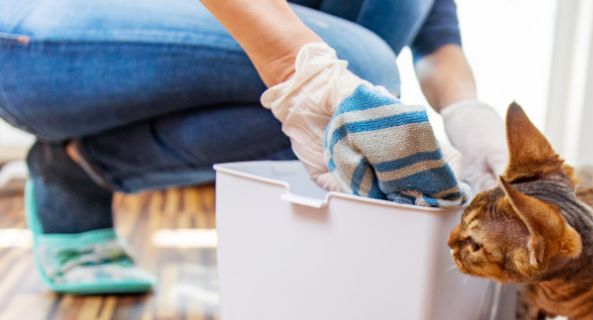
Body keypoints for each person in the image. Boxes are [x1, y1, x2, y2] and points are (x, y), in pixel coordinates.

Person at [0, 0, 507, 294]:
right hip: (38, 39)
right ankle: (70, 174)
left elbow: (438, 45)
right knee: (365, 72)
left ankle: (79, 170)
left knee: (357, 85)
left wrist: (468, 115)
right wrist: (302, 72)